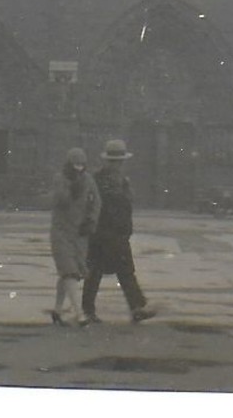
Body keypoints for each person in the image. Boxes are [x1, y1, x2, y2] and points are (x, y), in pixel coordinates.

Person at [81, 138, 157, 324]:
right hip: (104, 233)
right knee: (99, 273)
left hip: (116, 234)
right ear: (108, 161)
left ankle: (135, 307)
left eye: (120, 161)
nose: (118, 164)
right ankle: (90, 310)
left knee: (119, 272)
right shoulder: (99, 180)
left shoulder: (121, 181)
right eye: (115, 161)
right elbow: (100, 205)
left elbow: (125, 205)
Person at [49, 147, 100, 326]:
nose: (79, 169)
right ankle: (80, 314)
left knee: (69, 274)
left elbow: (96, 203)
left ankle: (57, 310)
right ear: (68, 165)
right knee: (69, 271)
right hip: (61, 233)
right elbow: (59, 201)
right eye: (75, 165)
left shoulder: (89, 180)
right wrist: (71, 187)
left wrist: (91, 221)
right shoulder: (60, 179)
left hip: (79, 234)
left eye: (82, 165)